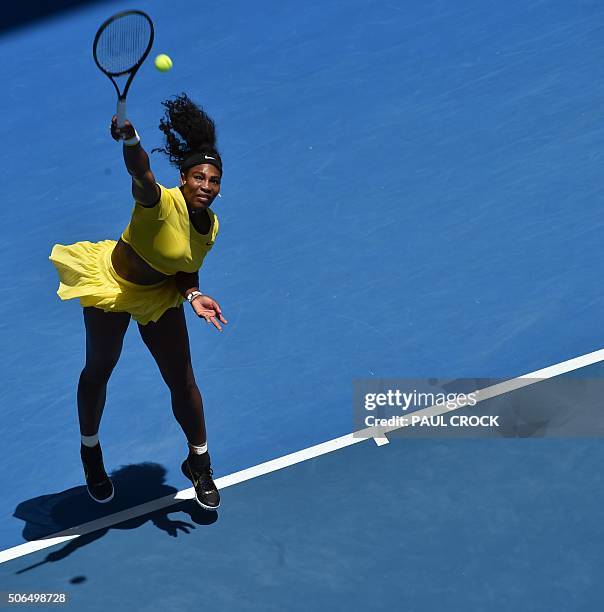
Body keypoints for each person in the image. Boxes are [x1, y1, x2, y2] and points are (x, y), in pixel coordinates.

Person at [49, 93, 227, 510]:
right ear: (183, 178)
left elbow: (185, 264)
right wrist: (131, 140)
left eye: (214, 181)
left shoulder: (211, 226)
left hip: (159, 296)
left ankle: (199, 461)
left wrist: (194, 293)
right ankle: (91, 452)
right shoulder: (158, 201)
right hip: (112, 286)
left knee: (182, 380)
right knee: (99, 369)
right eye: (199, 178)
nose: (206, 187)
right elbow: (142, 173)